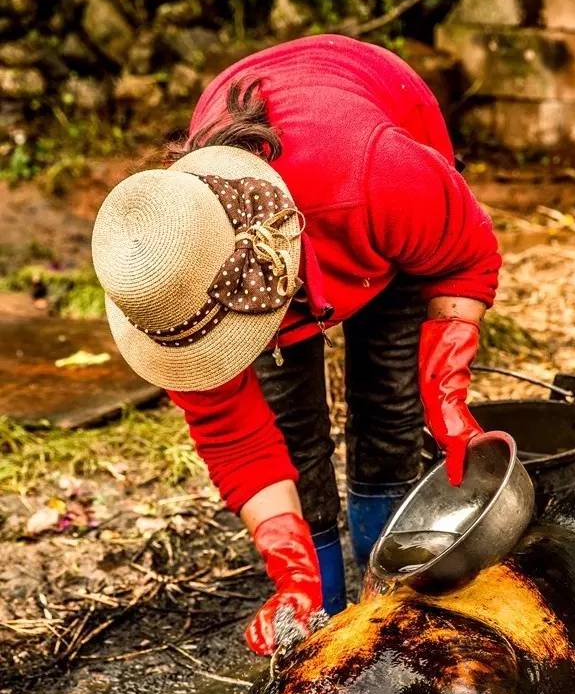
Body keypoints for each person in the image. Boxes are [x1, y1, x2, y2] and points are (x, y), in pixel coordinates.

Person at [91, 34, 501, 655]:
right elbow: (240, 442)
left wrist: (447, 393)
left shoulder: (378, 177)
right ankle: (325, 602)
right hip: (265, 249)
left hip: (360, 187)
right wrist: (292, 577)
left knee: (391, 397)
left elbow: (463, 255)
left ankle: (391, 582)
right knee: (290, 427)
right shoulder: (165, 283)